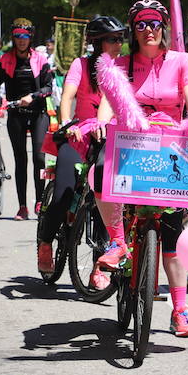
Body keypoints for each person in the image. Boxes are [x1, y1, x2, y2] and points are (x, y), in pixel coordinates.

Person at [92, 0, 188, 337]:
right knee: (98, 173)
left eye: (154, 23)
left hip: (171, 146)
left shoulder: (183, 61)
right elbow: (110, 101)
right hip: (132, 144)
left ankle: (180, 310)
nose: (149, 30)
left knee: (172, 236)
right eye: (141, 24)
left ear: (163, 27)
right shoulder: (121, 64)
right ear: (133, 30)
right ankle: (117, 241)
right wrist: (100, 121)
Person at [36, 16, 121, 273]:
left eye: (121, 38)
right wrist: (68, 124)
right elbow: (67, 96)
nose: (119, 44)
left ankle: (100, 266)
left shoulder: (125, 67)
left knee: (109, 199)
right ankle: (46, 243)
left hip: (112, 140)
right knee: (64, 192)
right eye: (113, 39)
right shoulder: (81, 65)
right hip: (79, 135)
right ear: (97, 42)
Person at [0, 19, 53, 219]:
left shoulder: (40, 59)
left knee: (39, 158)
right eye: (18, 36)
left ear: (30, 37)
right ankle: (22, 206)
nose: (21, 41)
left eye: (25, 36)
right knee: (20, 159)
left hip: (38, 112)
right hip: (15, 113)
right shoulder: (5, 59)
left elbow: (48, 87)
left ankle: (40, 202)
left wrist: (32, 96)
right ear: (13, 38)